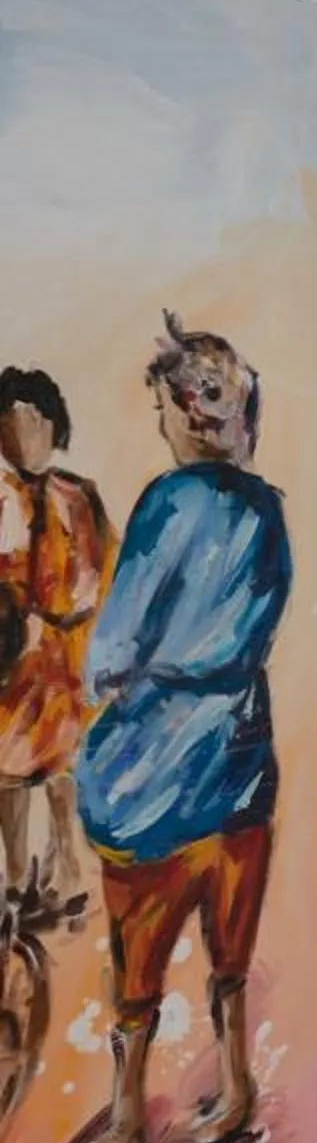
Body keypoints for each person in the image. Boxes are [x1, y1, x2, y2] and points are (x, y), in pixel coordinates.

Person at [76, 316, 290, 1143]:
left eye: (166, 406)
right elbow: (260, 621)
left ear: (184, 410)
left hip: (154, 774)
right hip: (239, 762)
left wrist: (105, 678)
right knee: (227, 954)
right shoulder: (266, 510)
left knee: (138, 955)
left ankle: (129, 1120)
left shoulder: (166, 502)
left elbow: (118, 639)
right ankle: (236, 1090)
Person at [0, 367, 111, 916]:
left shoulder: (77, 496)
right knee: (8, 770)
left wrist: (64, 621)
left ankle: (68, 871)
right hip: (10, 661)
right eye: (9, 424)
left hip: (65, 659)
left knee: (62, 769)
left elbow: (98, 572)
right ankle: (17, 877)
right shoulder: (2, 499)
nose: (22, 436)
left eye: (33, 422)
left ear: (53, 425)